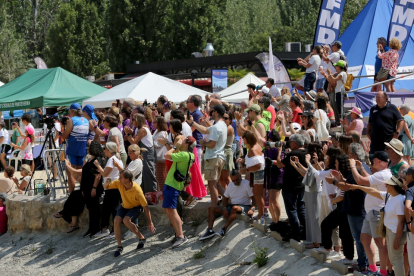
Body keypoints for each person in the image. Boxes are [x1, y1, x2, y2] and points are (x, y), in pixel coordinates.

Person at [347, 176, 406, 276]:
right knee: (393, 259)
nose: (385, 185)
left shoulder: (400, 199)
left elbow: (401, 221)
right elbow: (372, 191)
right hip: (390, 231)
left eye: (387, 184)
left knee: (396, 259)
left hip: (396, 233)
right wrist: (358, 186)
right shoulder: (389, 196)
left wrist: (397, 238)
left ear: (393, 186)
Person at [349, 151, 392, 275]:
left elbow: (361, 181)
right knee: (364, 238)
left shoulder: (383, 174)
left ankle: (383, 272)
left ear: (379, 161)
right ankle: (373, 269)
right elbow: (369, 179)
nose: (372, 163)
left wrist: (352, 166)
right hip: (371, 213)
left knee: (380, 244)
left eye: (373, 161)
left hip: (377, 213)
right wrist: (361, 168)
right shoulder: (381, 174)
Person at [103, 170, 156, 257]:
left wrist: (150, 222)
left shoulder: (137, 189)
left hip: (136, 207)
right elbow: (107, 187)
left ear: (127, 179)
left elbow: (145, 207)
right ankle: (119, 246)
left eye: (121, 177)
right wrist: (106, 183)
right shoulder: (119, 183)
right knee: (116, 220)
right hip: (124, 205)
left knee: (126, 220)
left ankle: (141, 238)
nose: (118, 178)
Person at [187, 105, 227, 206]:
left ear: (216, 113)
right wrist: (193, 123)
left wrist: (203, 143)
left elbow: (212, 144)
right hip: (218, 157)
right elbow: (205, 130)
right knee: (216, 184)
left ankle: (215, 206)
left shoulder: (217, 126)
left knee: (212, 184)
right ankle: (229, 199)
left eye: (212, 111)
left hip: (213, 157)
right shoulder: (221, 125)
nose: (210, 113)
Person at [199, 170, 254, 240]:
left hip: (244, 206)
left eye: (237, 180)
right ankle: (209, 230)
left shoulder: (246, 184)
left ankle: (223, 229)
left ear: (240, 176)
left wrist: (252, 208)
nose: (236, 182)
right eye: (233, 180)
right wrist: (224, 208)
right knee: (211, 208)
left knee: (234, 208)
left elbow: (254, 198)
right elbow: (225, 198)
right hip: (231, 206)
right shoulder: (231, 185)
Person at [163, 136, 196, 248]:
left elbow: (166, 155)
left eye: (183, 141)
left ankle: (181, 236)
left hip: (172, 184)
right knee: (168, 209)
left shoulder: (183, 155)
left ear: (186, 144)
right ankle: (178, 234)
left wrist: (176, 146)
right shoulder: (190, 155)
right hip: (173, 184)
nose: (181, 142)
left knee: (172, 210)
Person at [275, 134, 307, 241]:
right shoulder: (306, 152)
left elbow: (279, 164)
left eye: (291, 141)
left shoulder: (293, 154)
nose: (289, 143)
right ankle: (306, 232)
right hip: (301, 185)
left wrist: (280, 151)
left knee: (292, 210)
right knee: (301, 209)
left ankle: (295, 234)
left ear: (295, 143)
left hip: (290, 187)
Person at [92, 142, 124, 239]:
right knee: (106, 209)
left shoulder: (112, 159)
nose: (104, 151)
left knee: (113, 209)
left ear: (109, 150)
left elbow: (105, 174)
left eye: (105, 149)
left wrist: (98, 165)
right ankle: (105, 229)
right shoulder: (115, 159)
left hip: (113, 188)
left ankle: (115, 231)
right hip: (110, 187)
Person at [124, 113, 157, 194]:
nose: (132, 121)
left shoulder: (143, 130)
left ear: (138, 120)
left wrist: (128, 134)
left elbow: (134, 142)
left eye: (133, 119)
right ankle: (145, 194)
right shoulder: (138, 129)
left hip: (148, 154)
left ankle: (152, 195)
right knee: (144, 175)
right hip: (143, 154)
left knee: (149, 175)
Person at [238, 130, 265, 223]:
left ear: (247, 138)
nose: (243, 140)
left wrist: (245, 170)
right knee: (258, 195)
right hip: (258, 174)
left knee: (258, 195)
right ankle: (261, 215)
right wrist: (243, 161)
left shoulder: (253, 149)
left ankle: (261, 216)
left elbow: (259, 165)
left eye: (244, 138)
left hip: (259, 174)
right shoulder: (256, 146)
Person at [62, 103, 89, 173]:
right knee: (80, 173)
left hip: (72, 150)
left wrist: (64, 130)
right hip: (82, 150)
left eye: (69, 111)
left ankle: (71, 185)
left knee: (71, 172)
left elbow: (64, 136)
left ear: (73, 111)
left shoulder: (71, 120)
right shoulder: (86, 120)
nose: (69, 113)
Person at [321, 60, 347, 125]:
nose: (335, 67)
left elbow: (334, 80)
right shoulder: (339, 73)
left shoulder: (342, 73)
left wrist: (329, 73)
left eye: (336, 66)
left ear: (339, 66)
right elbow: (331, 80)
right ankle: (341, 123)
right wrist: (325, 74)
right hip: (337, 92)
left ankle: (344, 124)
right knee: (338, 109)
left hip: (340, 92)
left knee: (340, 109)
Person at [403, 166, 414, 276]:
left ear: (411, 176)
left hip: (413, 228)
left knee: (412, 257)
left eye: (406, 174)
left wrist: (408, 222)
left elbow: (407, 207)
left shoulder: (410, 189)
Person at [187, 95, 204, 167]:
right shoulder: (193, 113)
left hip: (196, 144)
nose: (186, 103)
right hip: (193, 144)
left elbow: (192, 128)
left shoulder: (197, 114)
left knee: (196, 167)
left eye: (187, 102)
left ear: (192, 104)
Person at [219, 112, 235, 190]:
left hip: (226, 152)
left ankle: (234, 195)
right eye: (223, 118)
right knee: (221, 178)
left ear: (230, 120)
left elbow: (219, 136)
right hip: (222, 152)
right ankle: (225, 197)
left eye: (226, 118)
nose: (223, 120)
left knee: (226, 178)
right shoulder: (223, 127)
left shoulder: (229, 128)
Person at [153, 116, 168, 190]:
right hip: (157, 156)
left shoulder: (162, 133)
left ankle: (163, 192)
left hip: (161, 157)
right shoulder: (156, 131)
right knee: (159, 176)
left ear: (159, 123)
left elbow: (157, 145)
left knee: (160, 176)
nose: (153, 124)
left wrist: (150, 141)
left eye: (155, 122)